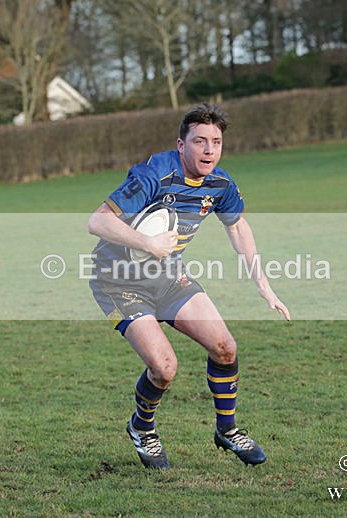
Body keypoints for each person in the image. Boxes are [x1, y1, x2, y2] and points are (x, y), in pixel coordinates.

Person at [87, 102, 290, 469]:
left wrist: (262, 282)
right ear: (181, 145)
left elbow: (237, 226)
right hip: (117, 282)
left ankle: (227, 430)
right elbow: (97, 222)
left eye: (216, 141)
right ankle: (142, 428)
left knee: (225, 347)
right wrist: (148, 243)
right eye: (199, 141)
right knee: (165, 368)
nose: (209, 150)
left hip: (168, 276)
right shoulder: (154, 175)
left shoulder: (219, 183)